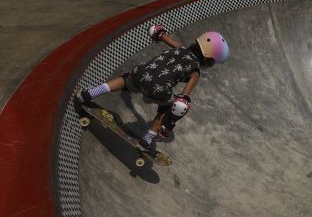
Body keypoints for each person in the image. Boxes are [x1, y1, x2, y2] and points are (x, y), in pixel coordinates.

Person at [77, 24, 230, 154]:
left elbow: (159, 33)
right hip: (157, 90)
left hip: (140, 73)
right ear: (208, 59)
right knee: (170, 106)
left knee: (125, 79)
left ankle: (90, 93)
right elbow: (183, 101)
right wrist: (170, 123)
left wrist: (159, 32)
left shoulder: (180, 47)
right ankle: (148, 139)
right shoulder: (195, 72)